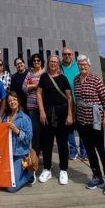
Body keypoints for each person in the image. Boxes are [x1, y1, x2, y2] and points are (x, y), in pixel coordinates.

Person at [73, 55, 105, 196]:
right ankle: (97, 176)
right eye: (80, 64)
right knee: (90, 150)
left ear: (89, 65)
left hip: (97, 120)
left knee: (102, 149)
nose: (82, 66)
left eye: (85, 64)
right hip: (83, 121)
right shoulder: (76, 80)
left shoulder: (95, 79)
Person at [36, 55, 74, 185]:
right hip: (47, 113)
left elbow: (69, 97)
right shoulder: (44, 77)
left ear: (58, 64)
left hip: (62, 113)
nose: (53, 63)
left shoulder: (63, 78)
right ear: (48, 63)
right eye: (51, 61)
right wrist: (41, 111)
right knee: (47, 143)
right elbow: (39, 94)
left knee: (62, 142)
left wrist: (70, 114)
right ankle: (47, 168)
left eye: (55, 62)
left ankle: (63, 169)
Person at [0, 91, 35, 192]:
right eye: (10, 101)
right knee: (0, 181)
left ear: (18, 101)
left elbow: (29, 138)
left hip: (19, 155)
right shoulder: (4, 118)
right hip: (6, 155)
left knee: (11, 187)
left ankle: (29, 174)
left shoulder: (25, 118)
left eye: (14, 100)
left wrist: (18, 131)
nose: (12, 102)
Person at [60, 47, 87, 160]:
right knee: (69, 127)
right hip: (66, 102)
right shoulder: (59, 66)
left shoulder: (78, 65)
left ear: (72, 55)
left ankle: (84, 151)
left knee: (82, 126)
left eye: (69, 54)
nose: (67, 56)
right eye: (65, 54)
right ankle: (73, 150)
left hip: (79, 101)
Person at [22, 53, 44, 157]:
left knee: (44, 131)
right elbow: (24, 87)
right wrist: (36, 85)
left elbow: (46, 87)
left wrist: (31, 86)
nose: (36, 62)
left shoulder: (45, 73)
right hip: (32, 106)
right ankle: (36, 154)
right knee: (35, 131)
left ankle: (45, 153)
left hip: (44, 106)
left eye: (38, 60)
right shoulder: (29, 73)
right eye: (34, 61)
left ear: (41, 61)